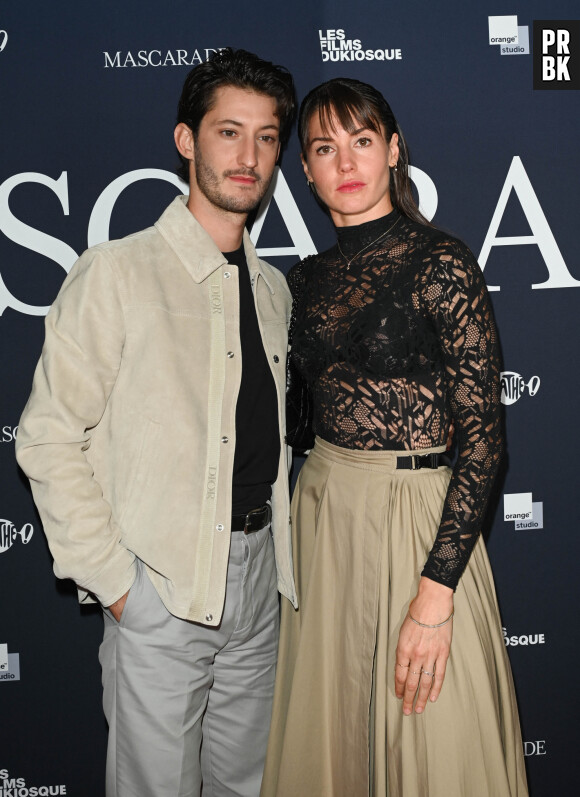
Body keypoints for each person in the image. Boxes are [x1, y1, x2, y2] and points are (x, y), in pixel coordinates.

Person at [16, 48, 297, 797]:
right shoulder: (117, 272)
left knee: (247, 785)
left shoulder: (273, 290)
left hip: (261, 583)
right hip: (162, 590)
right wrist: (120, 587)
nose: (248, 157)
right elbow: (47, 436)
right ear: (186, 140)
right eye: (228, 132)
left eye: (267, 137)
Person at [260, 78, 528, 797]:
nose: (345, 160)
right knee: (330, 746)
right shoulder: (305, 279)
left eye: (362, 140)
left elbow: (484, 442)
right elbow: (294, 423)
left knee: (434, 743)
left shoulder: (442, 264)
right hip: (324, 522)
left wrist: (436, 592)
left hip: (420, 523)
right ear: (308, 172)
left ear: (394, 150)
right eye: (324, 147)